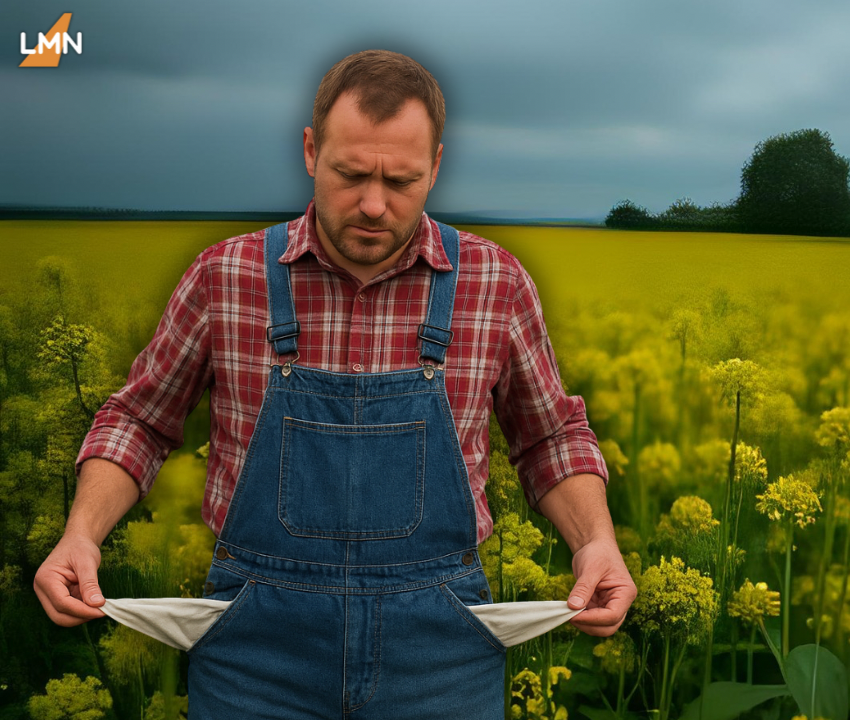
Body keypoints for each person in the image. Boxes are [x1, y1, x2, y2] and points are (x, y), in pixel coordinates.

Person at [33, 48, 636, 717]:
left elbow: (549, 437)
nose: (374, 205)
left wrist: (597, 543)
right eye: (351, 174)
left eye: (401, 181)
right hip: (256, 654)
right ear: (311, 150)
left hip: (440, 652)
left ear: (436, 166)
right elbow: (140, 422)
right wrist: (82, 535)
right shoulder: (224, 276)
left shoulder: (495, 284)